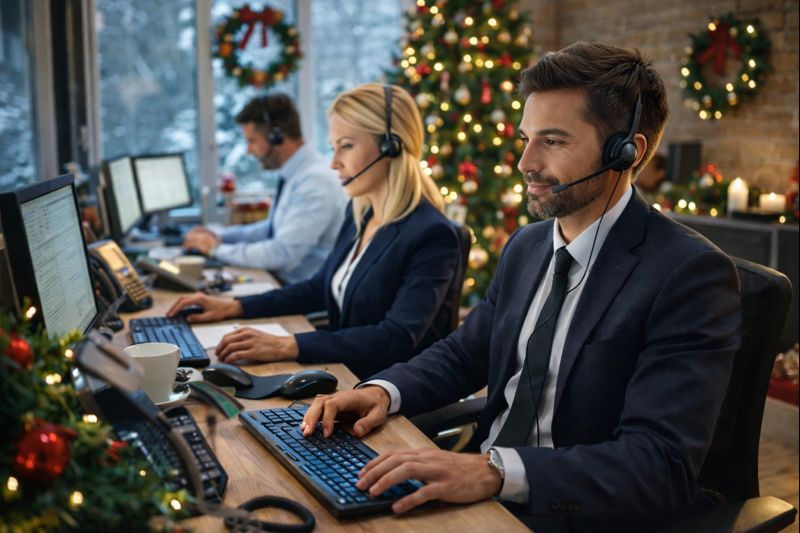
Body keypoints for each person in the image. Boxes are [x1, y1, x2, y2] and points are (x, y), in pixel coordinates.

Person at [301, 42, 741, 531]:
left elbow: (658, 465)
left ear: (625, 152)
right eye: (527, 137)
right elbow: (465, 353)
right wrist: (384, 391)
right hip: (483, 486)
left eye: (553, 141)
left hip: (575, 510)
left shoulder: (688, 274)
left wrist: (494, 472)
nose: (525, 162)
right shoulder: (528, 246)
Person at [169, 83, 462, 379]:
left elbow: (395, 338)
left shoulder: (431, 235)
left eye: (346, 146)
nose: (334, 163)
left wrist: (289, 345)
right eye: (333, 147)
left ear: (391, 145)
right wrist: (233, 306)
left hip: (383, 389)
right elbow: (318, 287)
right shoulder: (361, 212)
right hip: (341, 371)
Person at [183, 93, 346, 284]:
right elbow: (272, 229)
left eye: (252, 141)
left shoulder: (315, 181)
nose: (248, 150)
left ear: (276, 137)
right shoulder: (297, 174)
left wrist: (214, 249)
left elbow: (283, 254)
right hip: (281, 283)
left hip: (298, 293)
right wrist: (219, 235)